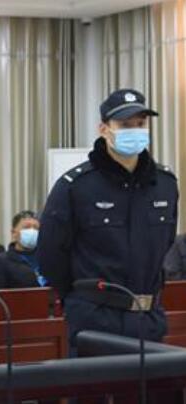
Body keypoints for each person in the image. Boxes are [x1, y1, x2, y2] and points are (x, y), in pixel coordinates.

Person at [38, 89, 179, 346]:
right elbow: (51, 255)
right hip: (95, 319)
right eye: (125, 125)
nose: (135, 131)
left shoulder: (165, 184)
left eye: (141, 124)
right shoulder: (76, 185)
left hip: (148, 318)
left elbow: (165, 244)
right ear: (104, 129)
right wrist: (81, 298)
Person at [0, 211, 45, 289]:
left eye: (36, 228)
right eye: (26, 227)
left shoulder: (48, 258)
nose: (32, 231)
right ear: (14, 233)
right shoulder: (0, 261)